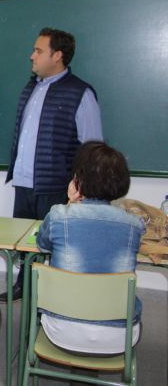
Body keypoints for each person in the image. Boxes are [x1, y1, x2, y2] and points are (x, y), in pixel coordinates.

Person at [3, 27, 103, 301]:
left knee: (55, 244)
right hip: (23, 182)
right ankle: (24, 285)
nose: (32, 56)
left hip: (55, 185)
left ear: (57, 55)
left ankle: (51, 297)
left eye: (38, 50)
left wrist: (82, 188)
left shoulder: (80, 92)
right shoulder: (31, 88)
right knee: (24, 242)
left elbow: (92, 148)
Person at [37, 141, 143, 354]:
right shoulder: (134, 225)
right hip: (119, 336)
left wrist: (69, 204)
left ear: (78, 180)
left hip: (62, 329)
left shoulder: (59, 215)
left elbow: (42, 244)